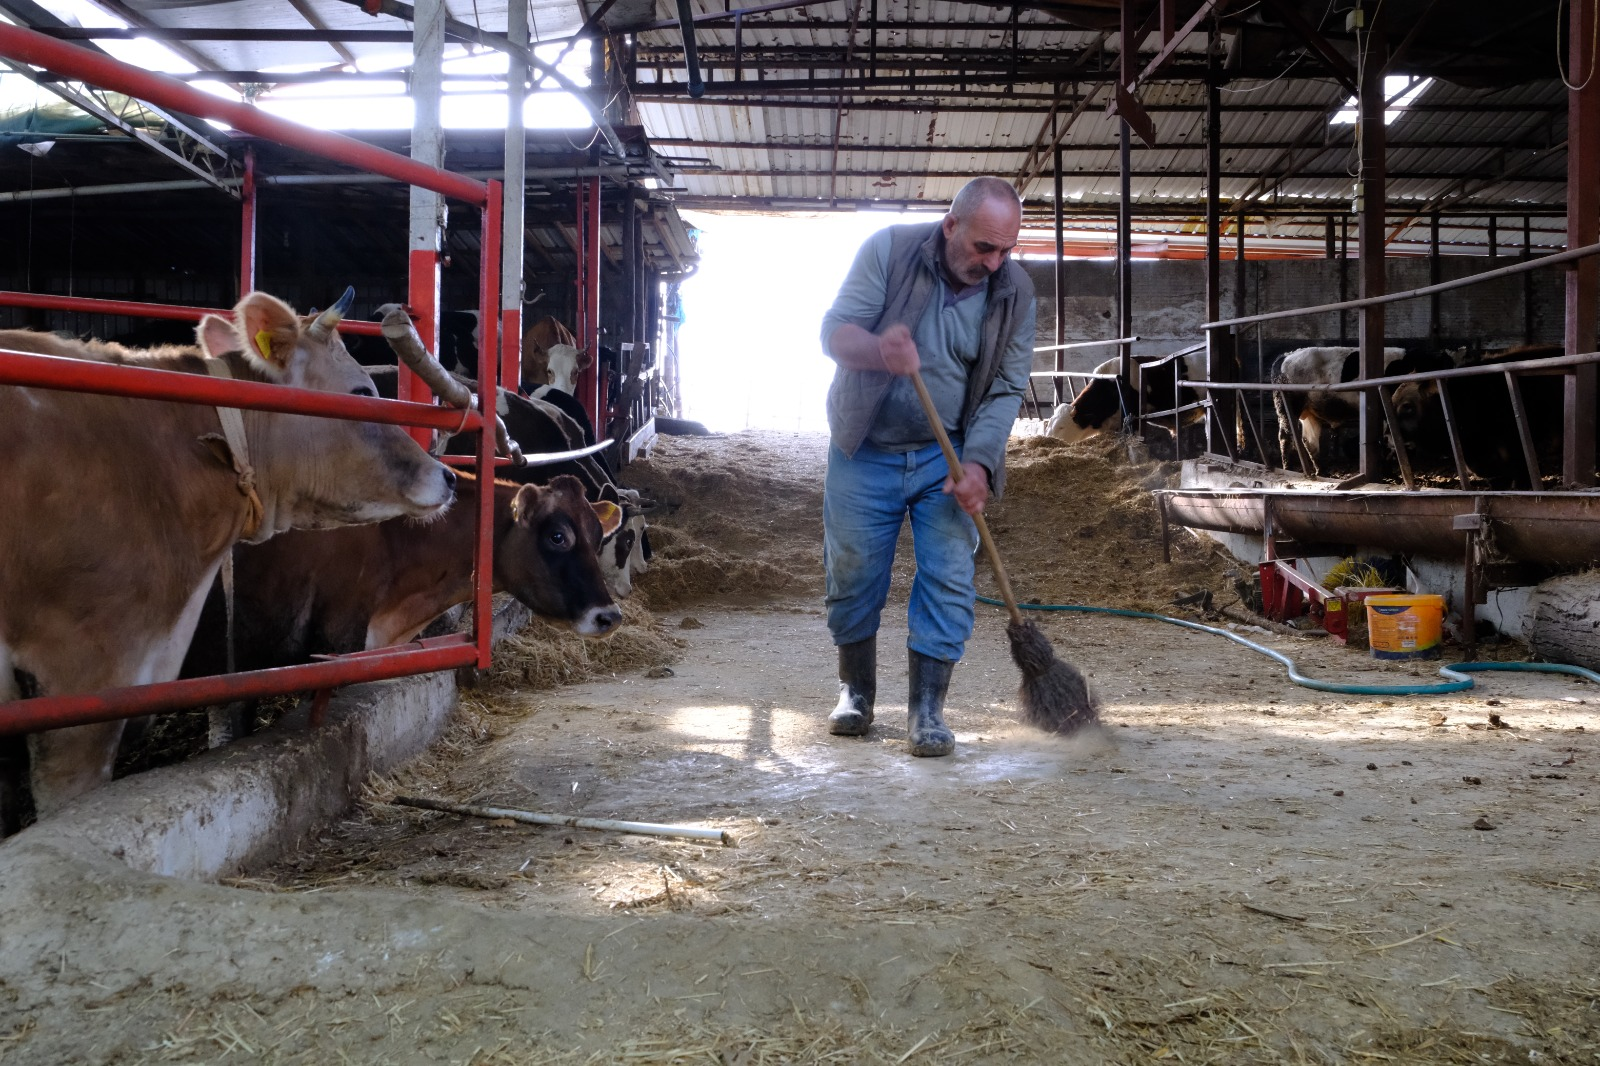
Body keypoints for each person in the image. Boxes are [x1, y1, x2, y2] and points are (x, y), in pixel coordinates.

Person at [818, 176, 1038, 757]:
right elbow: (833, 333)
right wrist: (878, 352)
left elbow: (1006, 387)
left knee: (949, 574)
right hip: (866, 446)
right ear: (950, 226)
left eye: (1006, 250)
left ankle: (928, 709)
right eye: (984, 247)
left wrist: (980, 464)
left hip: (949, 453)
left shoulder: (1015, 292)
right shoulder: (889, 251)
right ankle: (856, 691)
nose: (994, 263)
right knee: (852, 570)